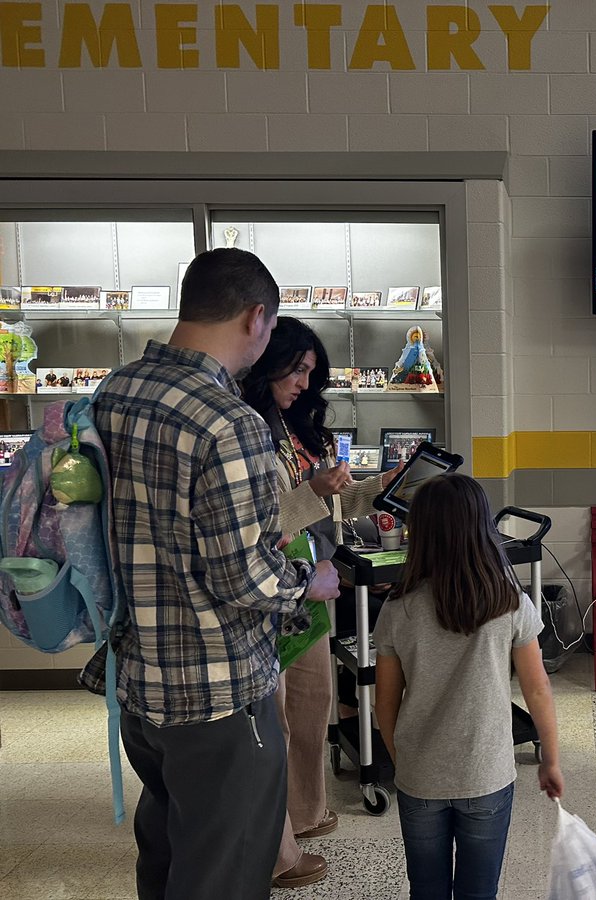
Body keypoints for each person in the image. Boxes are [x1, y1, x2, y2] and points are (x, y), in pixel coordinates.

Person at [81, 248, 342, 900]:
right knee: (226, 869)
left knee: (169, 855)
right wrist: (310, 584)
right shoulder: (229, 423)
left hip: (139, 685)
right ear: (258, 318)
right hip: (217, 693)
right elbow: (243, 576)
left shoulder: (114, 393)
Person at [241, 316, 401, 888]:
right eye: (298, 369)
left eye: (313, 372)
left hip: (315, 586)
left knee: (313, 703)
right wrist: (313, 493)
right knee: (276, 716)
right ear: (268, 360)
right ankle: (276, 831)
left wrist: (377, 488)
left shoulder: (293, 429)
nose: (306, 383)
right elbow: (258, 528)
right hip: (272, 592)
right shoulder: (245, 429)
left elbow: (325, 511)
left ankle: (305, 812)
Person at [374, 473, 563, 900]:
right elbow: (538, 691)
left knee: (426, 887)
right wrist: (550, 759)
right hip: (487, 773)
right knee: (479, 890)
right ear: (484, 529)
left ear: (417, 531)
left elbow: (385, 701)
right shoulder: (510, 600)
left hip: (419, 776)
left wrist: (400, 759)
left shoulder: (398, 607)